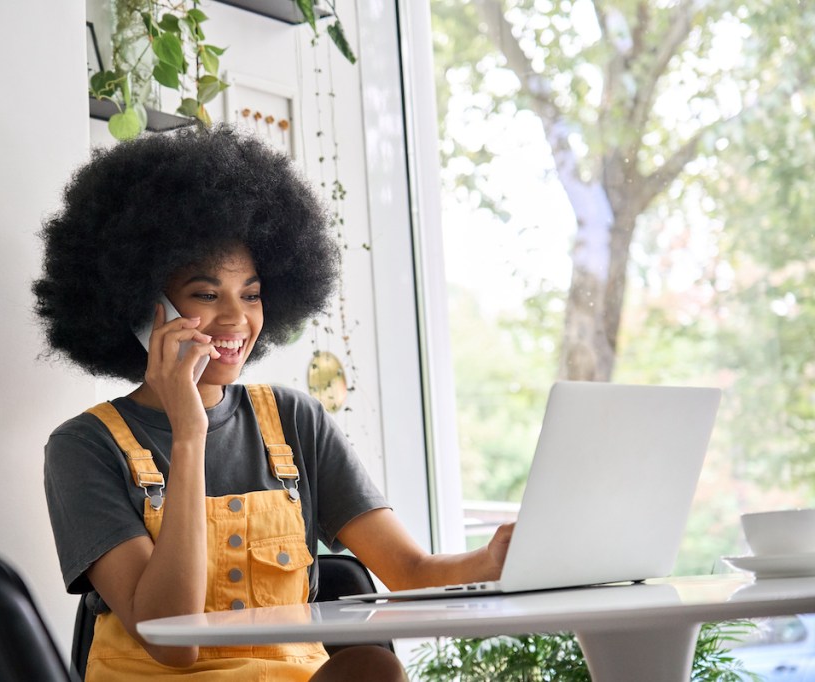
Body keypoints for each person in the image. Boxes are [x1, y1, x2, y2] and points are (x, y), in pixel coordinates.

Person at [33, 125, 513, 681]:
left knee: (370, 668)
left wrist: (491, 561)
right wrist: (189, 434)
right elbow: (172, 641)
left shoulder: (293, 421)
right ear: (145, 309)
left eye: (252, 294)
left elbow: (408, 569)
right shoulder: (83, 447)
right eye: (207, 295)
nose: (238, 320)